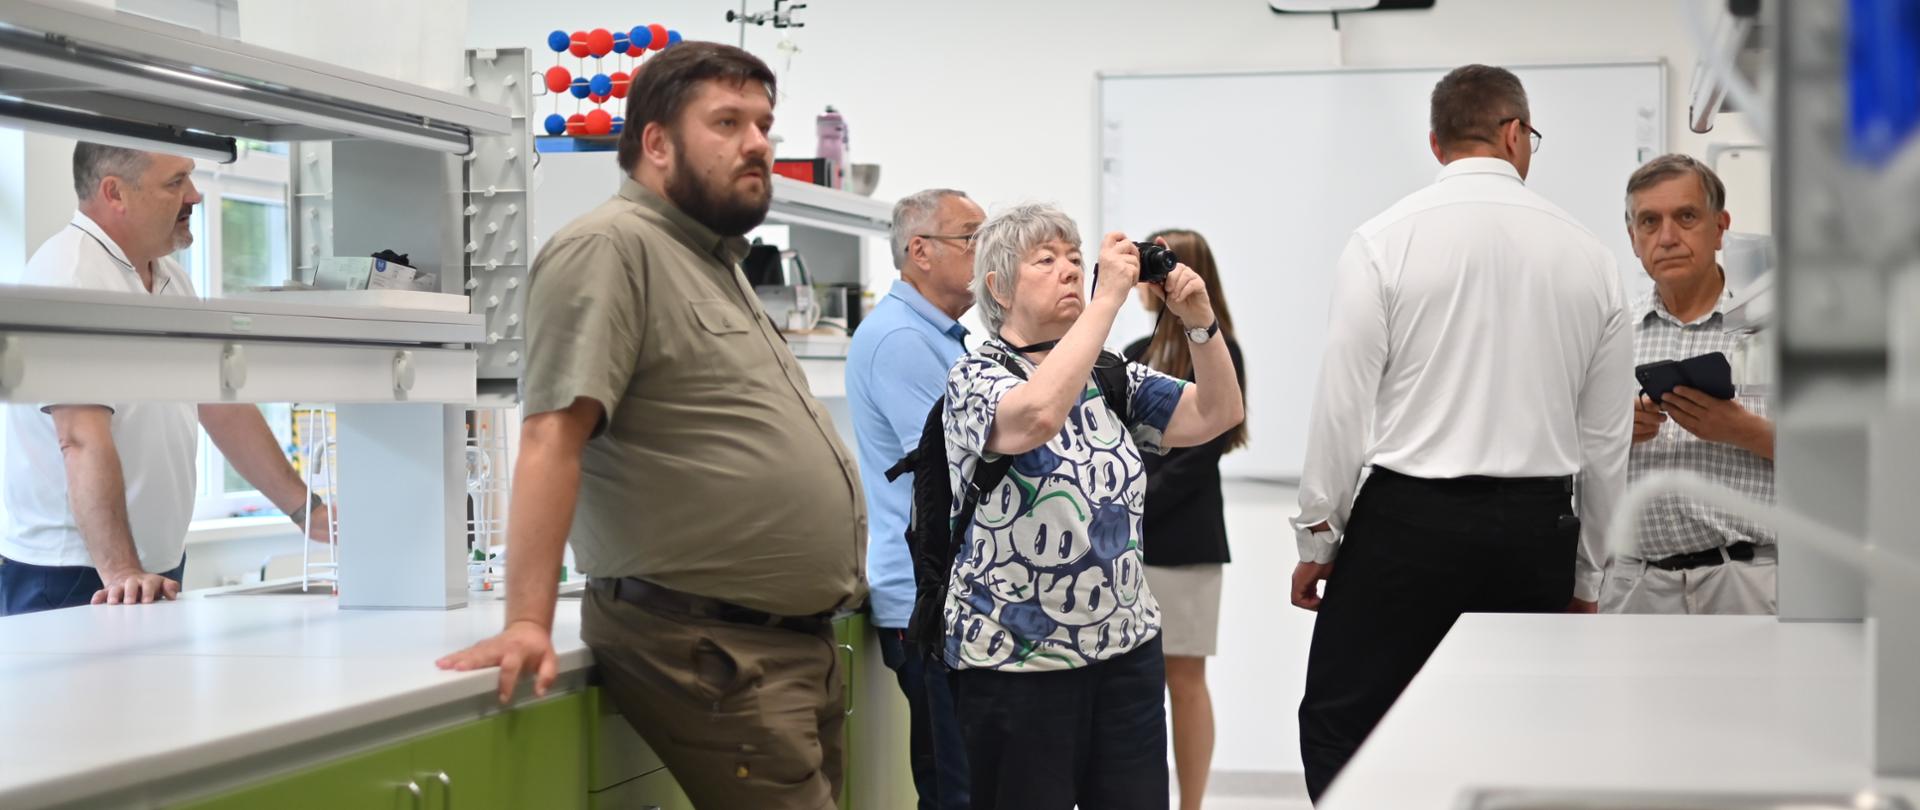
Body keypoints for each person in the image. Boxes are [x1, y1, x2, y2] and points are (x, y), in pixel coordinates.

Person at [435, 42, 866, 810]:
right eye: (727, 122)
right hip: (712, 648)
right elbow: (550, 436)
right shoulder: (608, 248)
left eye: (764, 124)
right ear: (657, 142)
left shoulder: (711, 258)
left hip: (784, 644)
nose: (758, 143)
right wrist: (527, 620)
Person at [1290, 64, 1632, 803]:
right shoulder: (1593, 259)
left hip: (1408, 524)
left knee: (1345, 723)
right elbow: (1605, 443)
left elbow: (1342, 404)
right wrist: (1588, 576)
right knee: (1522, 735)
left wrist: (1318, 538)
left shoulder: (1382, 242)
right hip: (1538, 527)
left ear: (1436, 141)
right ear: (1514, 134)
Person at [942, 203, 1244, 809]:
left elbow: (1218, 414)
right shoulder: (976, 377)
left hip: (1125, 654)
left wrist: (1202, 326)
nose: (1071, 271)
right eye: (1046, 260)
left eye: (1077, 259)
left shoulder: (1112, 377)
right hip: (1016, 667)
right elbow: (1036, 415)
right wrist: (1108, 300)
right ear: (998, 286)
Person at [0, 143, 332, 617]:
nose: (194, 196)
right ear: (115, 193)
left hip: (150, 567)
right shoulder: (72, 279)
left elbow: (221, 407)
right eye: (176, 183)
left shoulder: (171, 279)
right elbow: (80, 439)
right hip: (77, 573)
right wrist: (120, 572)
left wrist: (307, 510)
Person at [845, 188, 983, 810]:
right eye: (971, 236)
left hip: (952, 599)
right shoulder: (901, 339)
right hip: (929, 607)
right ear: (920, 251)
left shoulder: (942, 336)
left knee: (973, 781)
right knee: (957, 789)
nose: (986, 251)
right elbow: (955, 467)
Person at [1601, 154, 1776, 614]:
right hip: (1634, 586)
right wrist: (1611, 433)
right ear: (1633, 238)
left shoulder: (1774, 330)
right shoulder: (1610, 336)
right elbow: (1569, 460)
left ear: (1720, 228)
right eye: (1649, 221)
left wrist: (1744, 431)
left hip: (1747, 584)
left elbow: (1837, 461)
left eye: (1686, 217)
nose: (1668, 237)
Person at [1122, 228, 1246, 810]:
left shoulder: (1223, 352)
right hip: (1131, 549)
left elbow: (1202, 452)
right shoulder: (1129, 357)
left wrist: (1131, 498)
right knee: (1136, 686)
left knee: (1185, 681)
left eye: (1157, 264)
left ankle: (1191, 805)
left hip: (1186, 542)